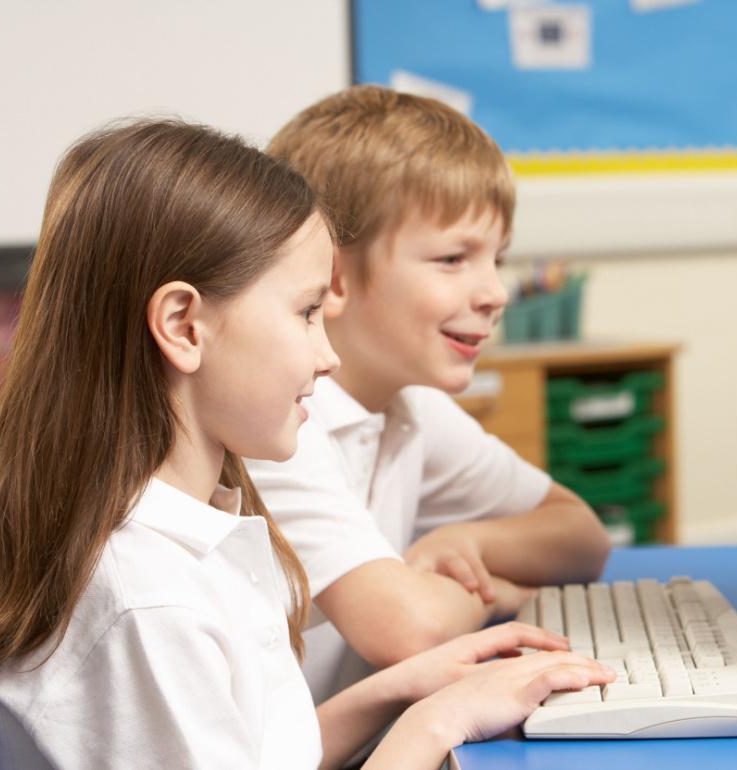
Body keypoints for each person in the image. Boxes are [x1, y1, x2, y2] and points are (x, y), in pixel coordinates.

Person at [0, 120, 612, 769]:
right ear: (184, 326)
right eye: (307, 312)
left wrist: (404, 690)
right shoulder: (149, 605)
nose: (327, 356)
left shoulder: (200, 535)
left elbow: (266, 752)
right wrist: (437, 724)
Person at [247, 85, 612, 705]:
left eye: (496, 258)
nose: (495, 292)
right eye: (452, 259)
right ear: (331, 273)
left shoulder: (409, 406)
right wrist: (504, 589)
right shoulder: (275, 425)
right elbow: (409, 629)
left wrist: (467, 545)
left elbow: (583, 537)